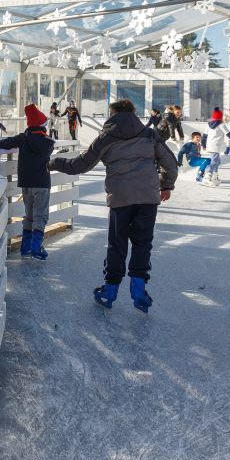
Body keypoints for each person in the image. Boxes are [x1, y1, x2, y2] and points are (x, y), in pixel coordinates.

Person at [49, 99, 179, 312]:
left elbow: (80, 164)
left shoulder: (106, 138)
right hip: (147, 197)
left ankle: (110, 290)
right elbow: (170, 163)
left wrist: (53, 162)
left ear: (113, 114)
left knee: (117, 243)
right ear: (133, 113)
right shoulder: (149, 135)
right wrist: (166, 185)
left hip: (120, 197)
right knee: (143, 242)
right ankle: (139, 288)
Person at [0, 104, 55, 259]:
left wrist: (20, 138)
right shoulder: (48, 142)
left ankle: (25, 247)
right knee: (40, 215)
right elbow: (48, 149)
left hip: (26, 182)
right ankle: (36, 247)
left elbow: (2, 144)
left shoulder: (23, 138)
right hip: (41, 182)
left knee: (29, 215)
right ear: (42, 125)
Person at [201, 108, 230, 187]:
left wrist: (203, 145)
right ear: (220, 117)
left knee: (217, 161)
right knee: (214, 161)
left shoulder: (208, 124)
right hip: (215, 146)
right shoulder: (221, 125)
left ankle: (215, 177)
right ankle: (207, 177)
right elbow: (229, 135)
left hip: (210, 145)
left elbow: (204, 136)